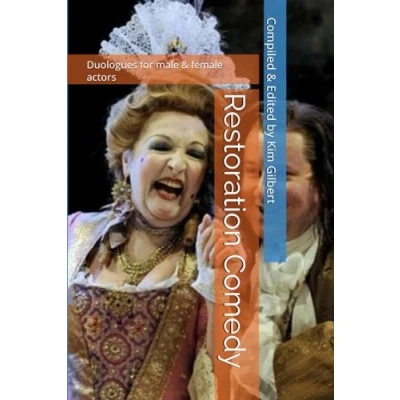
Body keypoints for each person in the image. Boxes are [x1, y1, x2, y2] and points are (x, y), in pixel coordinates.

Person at [68, 83, 221, 400]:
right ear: (127, 161)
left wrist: (217, 291)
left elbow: (221, 385)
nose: (177, 164)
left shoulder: (210, 258)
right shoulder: (73, 232)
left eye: (194, 154)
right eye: (162, 147)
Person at [233, 101, 334, 399]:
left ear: (322, 184)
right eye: (253, 172)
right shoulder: (226, 258)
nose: (262, 190)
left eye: (282, 175)